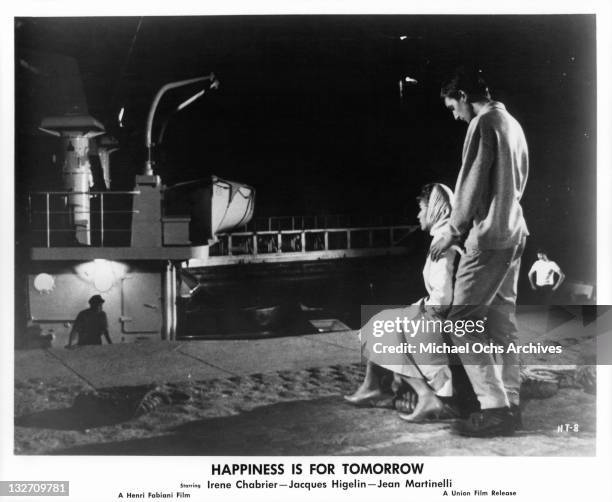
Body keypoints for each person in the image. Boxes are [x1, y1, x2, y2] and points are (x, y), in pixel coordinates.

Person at [430, 67, 529, 436]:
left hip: (488, 240)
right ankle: (511, 404)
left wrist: (452, 230)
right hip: (514, 232)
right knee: (502, 324)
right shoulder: (512, 124)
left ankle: (495, 407)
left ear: (463, 96)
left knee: (461, 322)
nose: (455, 115)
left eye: (452, 106)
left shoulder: (483, 124)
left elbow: (470, 182)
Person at [345, 183, 460, 421]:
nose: (418, 215)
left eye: (421, 209)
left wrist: (419, 310)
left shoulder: (442, 244)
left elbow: (443, 298)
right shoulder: (442, 237)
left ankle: (421, 395)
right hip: (440, 315)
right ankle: (373, 386)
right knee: (383, 322)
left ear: (434, 210)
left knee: (384, 327)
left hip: (440, 319)